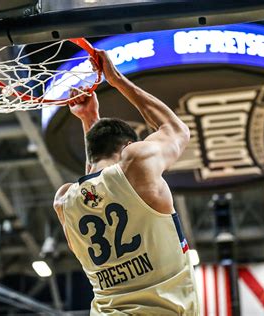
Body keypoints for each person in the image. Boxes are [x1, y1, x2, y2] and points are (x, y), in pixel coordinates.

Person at [53, 49, 198, 315]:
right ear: (130, 146)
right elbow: (176, 131)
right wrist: (116, 79)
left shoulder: (64, 201)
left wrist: (89, 120)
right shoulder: (136, 164)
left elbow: (95, 184)